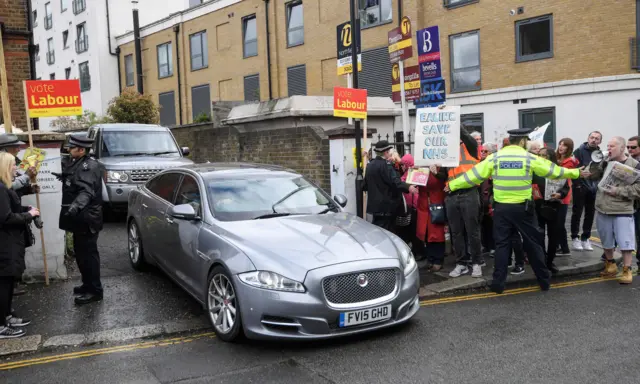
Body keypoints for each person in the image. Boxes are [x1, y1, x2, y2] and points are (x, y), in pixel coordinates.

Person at [448, 128, 590, 294]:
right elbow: (553, 171)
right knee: (533, 243)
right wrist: (576, 173)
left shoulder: (495, 158)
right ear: (522, 141)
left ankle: (498, 284)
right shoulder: (528, 158)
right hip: (523, 209)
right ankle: (544, 281)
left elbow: (473, 176)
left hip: (501, 209)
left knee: (502, 245)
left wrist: (452, 185)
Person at [57, 134, 105, 305]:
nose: (68, 149)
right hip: (80, 219)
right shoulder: (76, 162)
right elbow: (74, 179)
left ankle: (95, 290)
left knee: (88, 256)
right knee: (81, 254)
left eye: (71, 147)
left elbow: (86, 191)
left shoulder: (89, 166)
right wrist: (64, 178)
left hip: (86, 219)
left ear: (81, 149)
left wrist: (75, 207)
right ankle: (87, 284)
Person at [0, 152, 39, 338]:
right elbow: (5, 218)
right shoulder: (0, 188)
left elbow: (9, 210)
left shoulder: (5, 187)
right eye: (13, 165)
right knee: (3, 283)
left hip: (10, 241)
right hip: (4, 242)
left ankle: (7, 316)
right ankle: (1, 326)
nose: (16, 167)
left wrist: (26, 210)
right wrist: (28, 215)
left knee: (8, 282)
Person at [593, 137, 640, 284]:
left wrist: (618, 191)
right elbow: (593, 175)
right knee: (606, 240)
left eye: (612, 146)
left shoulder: (635, 165)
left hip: (622, 210)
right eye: (608, 146)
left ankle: (626, 270)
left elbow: (638, 189)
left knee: (626, 243)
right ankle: (611, 265)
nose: (609, 148)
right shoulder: (605, 161)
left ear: (622, 148)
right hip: (603, 208)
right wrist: (598, 163)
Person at [443, 126, 483, 278]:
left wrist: (452, 120)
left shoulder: (471, 146)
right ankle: (461, 263)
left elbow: (465, 135)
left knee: (472, 231)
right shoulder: (447, 152)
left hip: (469, 193)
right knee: (456, 232)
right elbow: (445, 175)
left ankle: (477, 263)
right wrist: (436, 171)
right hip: (452, 195)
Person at [363, 140, 417, 231]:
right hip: (386, 207)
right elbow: (396, 182)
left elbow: (364, 186)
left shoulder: (370, 165)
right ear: (386, 152)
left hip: (374, 208)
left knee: (377, 231)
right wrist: (409, 187)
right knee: (387, 234)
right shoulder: (387, 166)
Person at [532, 148, 570, 274]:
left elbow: (566, 187)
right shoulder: (534, 169)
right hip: (538, 206)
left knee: (553, 235)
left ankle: (550, 261)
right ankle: (542, 261)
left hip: (554, 206)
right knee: (539, 235)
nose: (542, 157)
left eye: (545, 155)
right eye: (539, 155)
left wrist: (560, 194)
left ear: (551, 157)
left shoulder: (558, 170)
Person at [571, 131, 602, 251]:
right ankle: (575, 237)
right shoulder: (579, 151)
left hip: (593, 187)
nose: (594, 140)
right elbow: (573, 169)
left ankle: (586, 238)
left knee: (590, 213)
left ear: (600, 141)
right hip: (580, 186)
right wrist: (577, 184)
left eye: (597, 138)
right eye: (592, 137)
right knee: (577, 213)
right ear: (588, 138)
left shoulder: (600, 154)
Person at [415, 164, 447, 271]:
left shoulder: (441, 166)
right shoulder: (421, 166)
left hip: (436, 203)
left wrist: (436, 173)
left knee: (437, 234)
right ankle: (430, 259)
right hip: (423, 205)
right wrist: (413, 173)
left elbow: (444, 179)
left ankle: (438, 260)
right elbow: (412, 183)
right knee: (426, 233)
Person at [555, 138, 578, 256]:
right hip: (555, 192)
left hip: (563, 194)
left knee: (559, 223)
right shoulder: (558, 159)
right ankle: (559, 246)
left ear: (569, 148)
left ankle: (564, 248)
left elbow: (562, 174)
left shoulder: (569, 161)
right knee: (555, 222)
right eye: (560, 144)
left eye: (564, 145)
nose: (561, 147)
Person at [626, 136, 640, 268]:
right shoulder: (625, 161)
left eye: (633, 147)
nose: (630, 149)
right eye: (628, 147)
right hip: (629, 204)